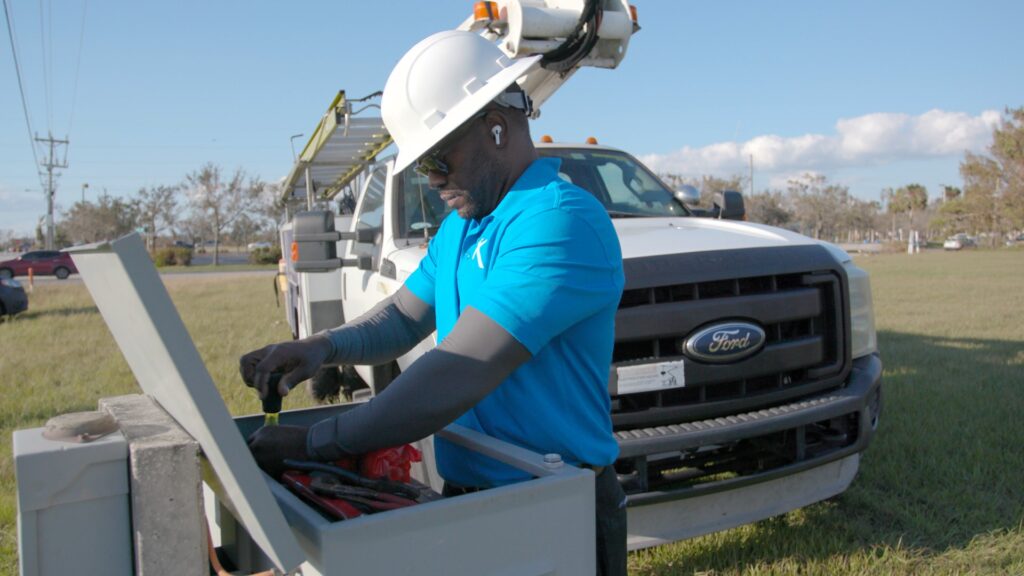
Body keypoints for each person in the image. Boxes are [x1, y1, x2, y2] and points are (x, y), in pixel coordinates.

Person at [240, 30, 627, 575]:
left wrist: (317, 442)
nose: (433, 178)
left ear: (496, 126)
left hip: (556, 502)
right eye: (423, 164)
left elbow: (458, 371)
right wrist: (319, 347)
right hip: (477, 494)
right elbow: (400, 317)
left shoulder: (558, 222)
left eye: (439, 158)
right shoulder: (463, 228)